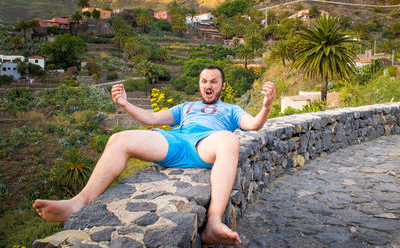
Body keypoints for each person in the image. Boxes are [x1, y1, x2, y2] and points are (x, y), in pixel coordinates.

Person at [33, 66, 276, 246]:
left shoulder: (231, 109)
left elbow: (253, 124)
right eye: (204, 81)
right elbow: (151, 119)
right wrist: (125, 104)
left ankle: (213, 223)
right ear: (199, 84)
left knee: (230, 140)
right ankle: (78, 202)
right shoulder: (186, 107)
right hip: (175, 141)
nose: (208, 85)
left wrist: (266, 106)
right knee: (119, 139)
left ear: (222, 85)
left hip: (206, 144)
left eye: (213, 81)